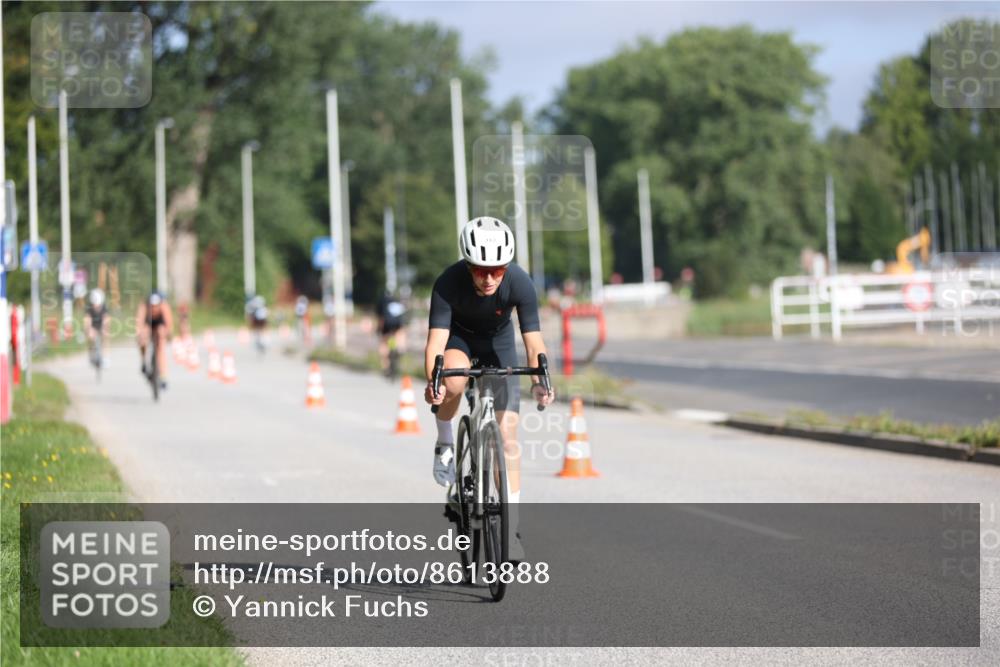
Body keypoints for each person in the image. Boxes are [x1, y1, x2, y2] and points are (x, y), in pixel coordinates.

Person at [423, 216, 555, 561]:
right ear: (467, 265)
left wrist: (542, 380)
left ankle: (510, 532)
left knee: (507, 436)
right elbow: (435, 344)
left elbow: (533, 341)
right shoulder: (448, 283)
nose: (489, 278)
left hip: (499, 345)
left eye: (497, 269)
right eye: (481, 270)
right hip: (459, 341)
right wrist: (433, 383)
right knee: (453, 379)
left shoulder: (521, 283)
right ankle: (445, 441)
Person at [136, 291, 174, 388]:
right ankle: (144, 361)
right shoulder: (144, 306)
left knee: (160, 347)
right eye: (152, 305)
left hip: (159, 324)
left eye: (156, 306)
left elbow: (169, 323)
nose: (154, 308)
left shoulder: (164, 306)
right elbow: (139, 321)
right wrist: (140, 333)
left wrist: (168, 333)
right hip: (148, 323)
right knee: (143, 337)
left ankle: (163, 376)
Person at [376, 290, 407, 375]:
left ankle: (385, 366)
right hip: (397, 325)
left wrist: (379, 330)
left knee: (384, 343)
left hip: (386, 325)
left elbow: (380, 317)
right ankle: (400, 349)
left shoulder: (381, 301)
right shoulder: (396, 301)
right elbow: (402, 317)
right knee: (400, 334)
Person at [84, 288, 108, 367]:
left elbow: (106, 319)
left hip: (101, 324)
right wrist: (88, 329)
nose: (96, 306)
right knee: (90, 336)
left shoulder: (104, 307)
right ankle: (91, 353)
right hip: (93, 325)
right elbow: (87, 320)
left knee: (105, 337)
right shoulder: (89, 308)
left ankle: (104, 357)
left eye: (98, 304)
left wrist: (105, 329)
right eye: (95, 304)